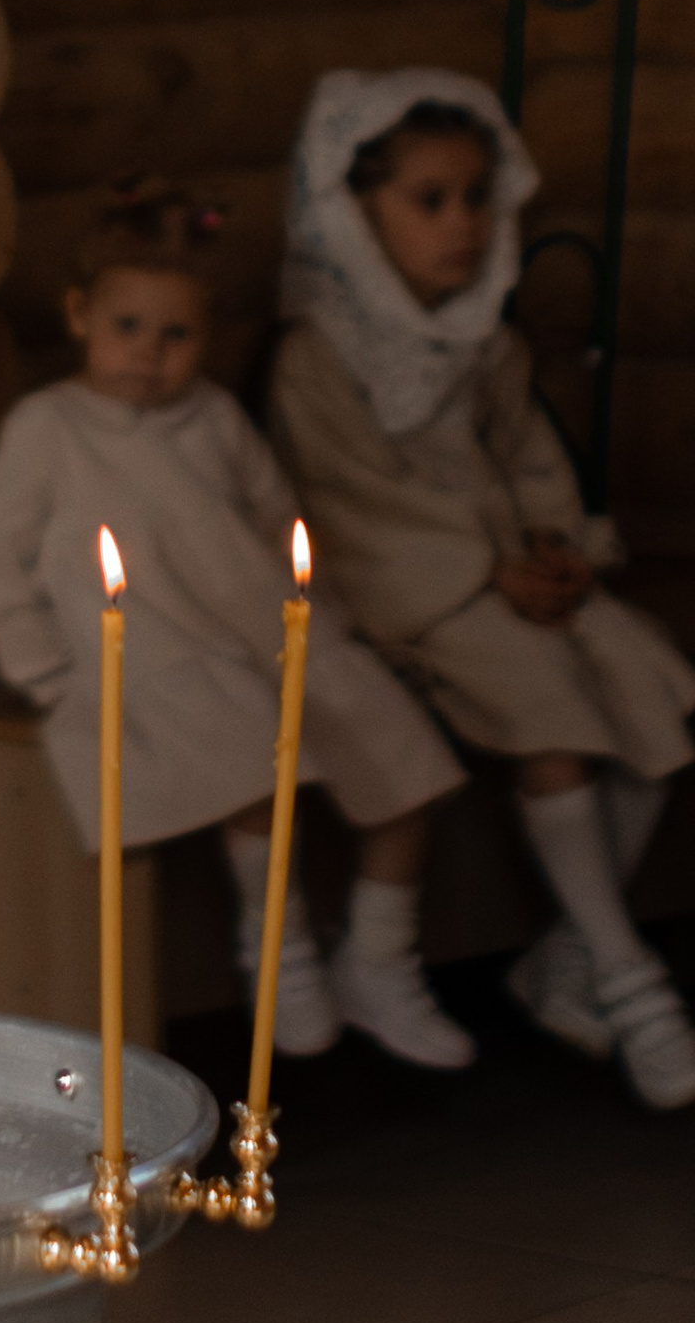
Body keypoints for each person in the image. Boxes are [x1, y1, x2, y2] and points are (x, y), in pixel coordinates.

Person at [270, 68, 695, 1110]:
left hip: (507, 580)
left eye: (475, 198)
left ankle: (567, 955)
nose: (460, 223)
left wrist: (556, 547)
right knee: (552, 712)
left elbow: (528, 456)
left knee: (655, 687)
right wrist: (480, 569)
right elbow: (350, 507)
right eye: (429, 200)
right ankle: (634, 982)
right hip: (413, 596)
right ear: (351, 208)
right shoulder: (315, 358)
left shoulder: (482, 340)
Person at [0, 185, 470, 1067]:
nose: (150, 355)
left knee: (404, 761)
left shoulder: (212, 416)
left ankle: (380, 959)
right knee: (258, 764)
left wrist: (317, 617)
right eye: (128, 327)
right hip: (148, 646)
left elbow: (273, 514)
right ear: (81, 316)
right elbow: (1, 555)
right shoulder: (48, 427)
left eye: (176, 336)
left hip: (257, 624)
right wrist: (42, 669)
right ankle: (276, 952)